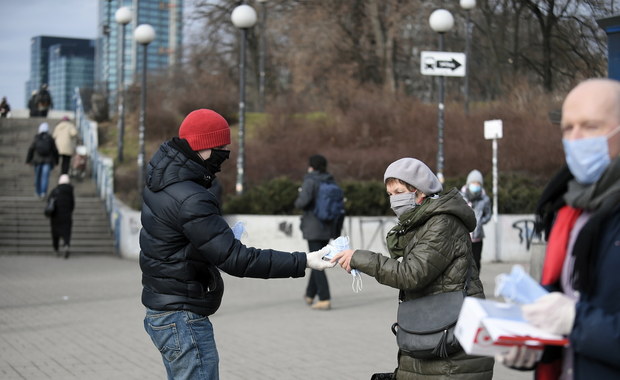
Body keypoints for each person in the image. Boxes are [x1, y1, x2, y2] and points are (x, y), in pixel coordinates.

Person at [139, 109, 335, 380]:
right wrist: (303, 261)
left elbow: (175, 239)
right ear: (203, 146)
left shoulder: (160, 182)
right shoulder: (192, 196)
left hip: (162, 309)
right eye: (221, 148)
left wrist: (215, 235)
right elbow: (235, 259)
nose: (225, 156)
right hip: (182, 317)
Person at [497, 78, 620, 379]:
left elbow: (574, 317)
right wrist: (535, 344)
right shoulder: (569, 209)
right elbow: (566, 299)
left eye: (590, 126)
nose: (576, 139)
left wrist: (574, 321)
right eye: (567, 128)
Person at [331, 157, 494, 379]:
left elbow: (410, 274)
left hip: (453, 349)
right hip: (438, 336)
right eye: (390, 195)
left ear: (419, 192)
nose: (393, 201)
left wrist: (360, 258)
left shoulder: (442, 223)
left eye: (399, 192)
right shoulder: (422, 223)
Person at [294, 154, 342, 310]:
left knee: (316, 262)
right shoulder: (330, 180)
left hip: (313, 227)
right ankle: (309, 294)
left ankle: (325, 298)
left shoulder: (310, 180)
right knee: (317, 257)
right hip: (328, 226)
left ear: (311, 166)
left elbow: (303, 202)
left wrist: (298, 197)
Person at [460, 169, 492, 272]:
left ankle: (475, 283)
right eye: (474, 182)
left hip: (477, 238)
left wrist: (480, 221)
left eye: (478, 183)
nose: (476, 185)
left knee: (476, 262)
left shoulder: (485, 199)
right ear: (469, 183)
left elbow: (488, 214)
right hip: (463, 236)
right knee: (464, 262)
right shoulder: (461, 197)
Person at [26, 122, 59, 199]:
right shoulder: (50, 138)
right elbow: (55, 150)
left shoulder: (36, 138)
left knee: (37, 177)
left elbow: (31, 149)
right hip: (47, 161)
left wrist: (28, 160)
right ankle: (43, 192)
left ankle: (37, 192)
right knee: (45, 177)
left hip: (37, 161)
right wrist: (56, 161)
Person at [48, 174, 75, 259]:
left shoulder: (55, 190)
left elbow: (49, 201)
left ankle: (56, 249)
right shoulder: (70, 192)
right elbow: (72, 204)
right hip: (67, 215)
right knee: (66, 232)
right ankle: (66, 245)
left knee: (55, 233)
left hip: (55, 215)